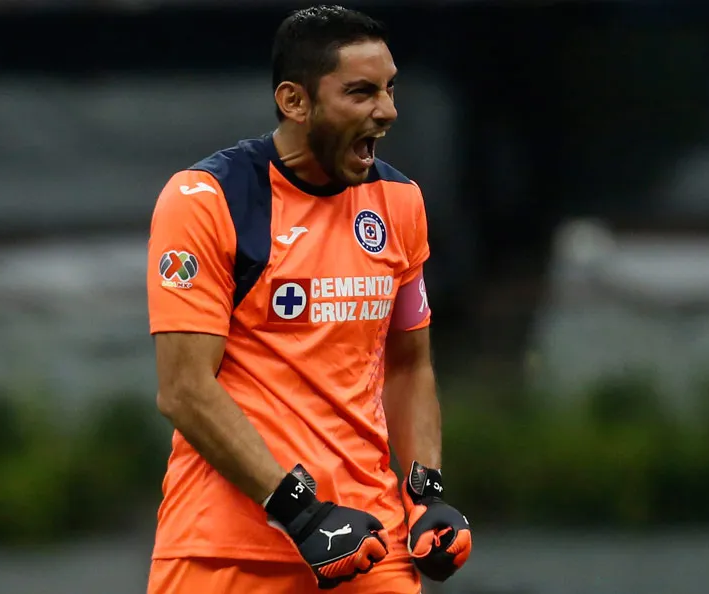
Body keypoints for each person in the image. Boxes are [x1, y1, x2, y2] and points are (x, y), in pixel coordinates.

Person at [145, 5, 472, 593]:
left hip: (372, 547)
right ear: (295, 102)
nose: (388, 111)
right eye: (361, 92)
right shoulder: (205, 199)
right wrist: (303, 515)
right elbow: (185, 389)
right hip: (226, 553)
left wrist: (425, 495)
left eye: (390, 89)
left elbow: (408, 363)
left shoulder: (400, 203)